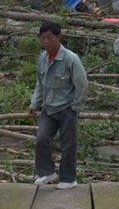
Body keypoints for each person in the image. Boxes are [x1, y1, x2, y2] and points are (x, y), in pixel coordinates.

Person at [29, 21, 88, 189]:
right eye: (43, 38)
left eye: (49, 38)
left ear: (58, 38)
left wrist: (75, 108)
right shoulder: (42, 58)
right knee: (41, 139)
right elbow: (40, 84)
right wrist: (35, 103)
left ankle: (69, 179)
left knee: (68, 144)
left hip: (66, 108)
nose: (46, 41)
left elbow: (82, 85)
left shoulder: (70, 59)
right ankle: (47, 172)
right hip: (48, 109)